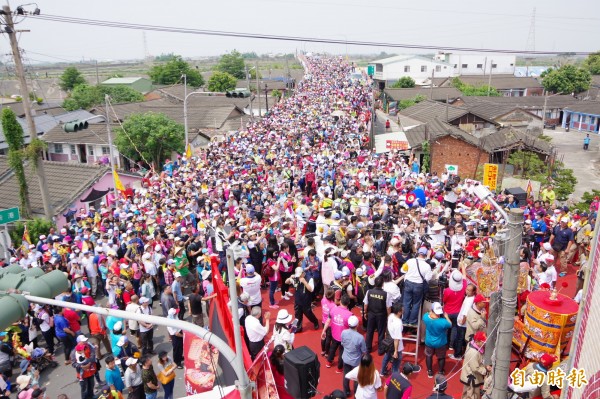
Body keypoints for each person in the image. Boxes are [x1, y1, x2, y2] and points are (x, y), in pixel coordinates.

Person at [402, 247, 433, 328]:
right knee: (416, 304)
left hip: (408, 283)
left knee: (406, 303)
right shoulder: (427, 266)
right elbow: (428, 278)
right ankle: (412, 321)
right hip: (418, 285)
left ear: (418, 253)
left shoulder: (410, 261)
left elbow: (402, 270)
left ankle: (405, 320)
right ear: (426, 255)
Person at [323, 294, 353, 372]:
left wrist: (323, 331)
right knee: (342, 353)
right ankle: (339, 368)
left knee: (333, 348)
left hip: (334, 335)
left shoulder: (333, 309)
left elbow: (328, 321)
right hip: (344, 338)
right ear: (348, 303)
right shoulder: (350, 315)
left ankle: (329, 362)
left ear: (340, 301)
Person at [363, 275, 392, 354]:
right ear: (382, 284)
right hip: (381, 315)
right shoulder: (386, 294)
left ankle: (368, 349)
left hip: (371, 314)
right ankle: (380, 350)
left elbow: (365, 304)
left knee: (369, 331)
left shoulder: (369, 292)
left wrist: (365, 312)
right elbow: (388, 307)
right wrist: (389, 316)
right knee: (381, 332)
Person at [285, 267, 319, 332]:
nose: (299, 277)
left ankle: (315, 321)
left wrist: (304, 282)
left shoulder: (309, 278)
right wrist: (290, 277)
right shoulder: (296, 278)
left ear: (303, 273)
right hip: (297, 300)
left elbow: (311, 289)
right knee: (297, 315)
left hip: (306, 301)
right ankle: (298, 328)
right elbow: (286, 282)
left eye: (300, 275)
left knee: (309, 314)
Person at [423, 302, 452, 378]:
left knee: (429, 356)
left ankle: (429, 371)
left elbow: (428, 313)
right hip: (440, 343)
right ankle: (440, 371)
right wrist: (446, 317)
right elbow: (450, 324)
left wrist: (432, 310)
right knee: (441, 357)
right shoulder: (443, 322)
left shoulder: (426, 318)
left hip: (429, 342)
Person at [443, 270, 466, 358]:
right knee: (454, 329)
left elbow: (444, 301)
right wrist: (462, 266)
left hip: (447, 312)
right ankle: (451, 345)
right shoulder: (463, 287)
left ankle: (445, 344)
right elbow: (464, 277)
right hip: (457, 312)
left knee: (446, 329)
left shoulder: (447, 291)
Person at [341, 315, 366, 397]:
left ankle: (346, 392)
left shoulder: (344, 332)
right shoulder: (360, 337)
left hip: (346, 358)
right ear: (357, 325)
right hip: (356, 361)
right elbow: (364, 351)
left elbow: (342, 343)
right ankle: (356, 394)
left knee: (346, 376)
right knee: (356, 379)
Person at [460, 331, 490, 399]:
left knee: (467, 393)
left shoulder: (471, 344)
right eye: (483, 342)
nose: (484, 344)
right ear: (477, 341)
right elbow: (475, 368)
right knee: (471, 395)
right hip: (472, 377)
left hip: (469, 374)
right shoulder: (473, 352)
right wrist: (485, 370)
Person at [381, 302, 403, 377]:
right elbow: (397, 339)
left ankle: (382, 371)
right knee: (396, 361)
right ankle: (395, 376)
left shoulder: (390, 316)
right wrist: (396, 351)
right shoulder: (398, 323)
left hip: (388, 341)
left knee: (386, 356)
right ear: (399, 312)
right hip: (395, 344)